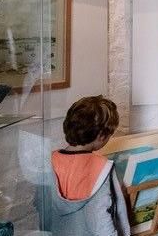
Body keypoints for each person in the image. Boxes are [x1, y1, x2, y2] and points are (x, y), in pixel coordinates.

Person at [40, 95, 130, 236]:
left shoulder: (49, 161)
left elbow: (40, 207)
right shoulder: (102, 167)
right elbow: (101, 219)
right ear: (101, 136)